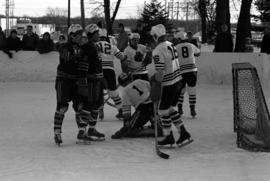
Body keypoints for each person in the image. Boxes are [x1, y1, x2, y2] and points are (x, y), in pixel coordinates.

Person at [150, 24, 193, 146]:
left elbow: (160, 73)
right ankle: (183, 133)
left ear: (155, 36)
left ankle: (168, 137)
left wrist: (153, 79)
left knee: (162, 111)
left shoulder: (158, 50)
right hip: (178, 80)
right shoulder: (170, 44)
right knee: (169, 108)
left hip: (169, 84)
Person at [53, 24, 85, 146]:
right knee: (62, 107)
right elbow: (67, 57)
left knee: (80, 107)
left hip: (76, 81)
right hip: (64, 80)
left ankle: (82, 132)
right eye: (77, 35)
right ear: (71, 36)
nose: (80, 37)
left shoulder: (82, 47)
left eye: (80, 35)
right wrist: (79, 57)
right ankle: (57, 132)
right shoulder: (64, 46)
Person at [111, 73, 162, 139]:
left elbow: (127, 113)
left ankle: (155, 131)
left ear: (122, 84)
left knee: (129, 131)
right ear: (131, 79)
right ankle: (156, 124)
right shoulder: (139, 81)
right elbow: (153, 89)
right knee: (153, 115)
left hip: (142, 110)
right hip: (154, 105)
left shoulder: (125, 92)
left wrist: (125, 128)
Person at [77, 23, 105, 141]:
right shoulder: (88, 46)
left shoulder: (94, 46)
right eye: (96, 33)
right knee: (89, 105)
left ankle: (92, 129)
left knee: (97, 105)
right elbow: (83, 65)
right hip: (91, 80)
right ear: (91, 35)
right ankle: (82, 131)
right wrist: (83, 82)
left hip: (98, 79)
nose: (99, 35)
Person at [96, 28, 126, 120]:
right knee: (113, 92)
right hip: (110, 71)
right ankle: (121, 110)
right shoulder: (112, 46)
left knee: (98, 91)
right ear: (106, 37)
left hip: (98, 70)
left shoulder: (95, 45)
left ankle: (100, 110)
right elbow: (121, 56)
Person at [174, 32, 200, 117]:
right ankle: (192, 109)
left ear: (179, 39)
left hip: (181, 71)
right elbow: (198, 53)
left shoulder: (175, 47)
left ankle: (180, 109)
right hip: (192, 70)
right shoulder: (191, 45)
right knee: (192, 90)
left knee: (181, 91)